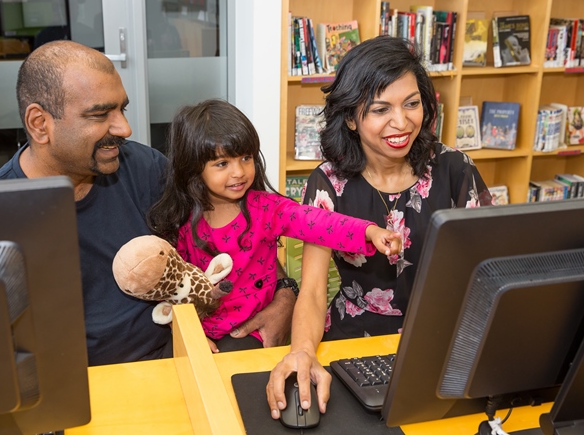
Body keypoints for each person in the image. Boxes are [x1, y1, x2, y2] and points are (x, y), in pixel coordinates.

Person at [266, 35, 494, 419]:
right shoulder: (327, 183)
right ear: (352, 118)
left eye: (412, 104)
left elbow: (491, 271)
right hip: (351, 346)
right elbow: (314, 288)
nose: (402, 122)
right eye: (380, 109)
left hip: (441, 342)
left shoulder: (456, 169)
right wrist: (302, 351)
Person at [147, 99, 402, 353]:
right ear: (193, 168)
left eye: (245, 158)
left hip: (252, 331)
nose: (239, 172)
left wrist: (368, 231)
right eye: (222, 163)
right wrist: (187, 333)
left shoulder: (266, 208)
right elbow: (171, 284)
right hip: (197, 328)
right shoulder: (181, 220)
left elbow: (316, 221)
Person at [0, 40, 172, 366]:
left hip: (168, 358)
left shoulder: (146, 167)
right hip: (75, 381)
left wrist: (283, 293)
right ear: (40, 124)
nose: (124, 128)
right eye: (100, 114)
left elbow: (224, 237)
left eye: (122, 109)